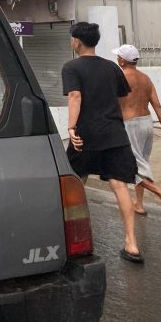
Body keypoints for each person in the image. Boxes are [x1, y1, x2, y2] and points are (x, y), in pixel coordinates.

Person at [63, 22, 144, 263]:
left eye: (71, 39)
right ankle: (131, 244)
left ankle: (73, 239)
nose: (71, 42)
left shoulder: (71, 67)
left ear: (77, 41)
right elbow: (120, 99)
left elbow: (75, 96)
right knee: (120, 186)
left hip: (85, 135)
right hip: (114, 134)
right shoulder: (112, 68)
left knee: (75, 184)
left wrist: (70, 126)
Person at [113, 44, 161, 222]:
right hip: (147, 124)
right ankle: (139, 204)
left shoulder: (120, 78)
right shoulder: (146, 79)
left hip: (129, 125)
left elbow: (113, 105)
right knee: (141, 164)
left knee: (131, 168)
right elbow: (157, 105)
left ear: (123, 60)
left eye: (118, 56)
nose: (117, 58)